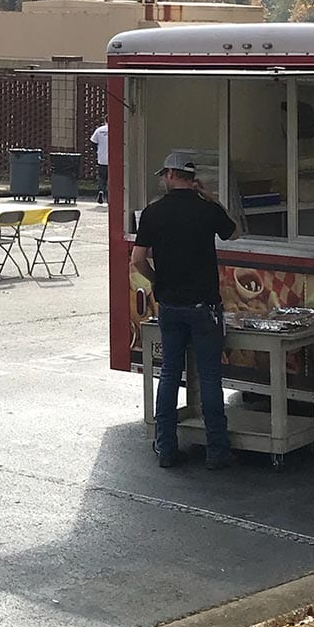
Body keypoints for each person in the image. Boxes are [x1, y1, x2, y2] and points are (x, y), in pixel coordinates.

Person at [130, 150, 239, 470]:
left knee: (168, 375)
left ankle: (166, 448)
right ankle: (217, 451)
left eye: (164, 174)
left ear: (172, 175)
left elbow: (137, 260)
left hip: (170, 306)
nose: (163, 179)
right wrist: (212, 198)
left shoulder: (153, 212)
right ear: (193, 179)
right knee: (209, 378)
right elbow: (235, 232)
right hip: (205, 308)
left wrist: (157, 282)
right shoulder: (205, 210)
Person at [91, 121, 110, 205]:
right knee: (112, 178)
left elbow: (93, 142)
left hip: (102, 158)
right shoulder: (116, 130)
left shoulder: (99, 130)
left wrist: (98, 151)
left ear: (105, 121)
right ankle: (111, 197)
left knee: (102, 177)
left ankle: (101, 191)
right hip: (113, 159)